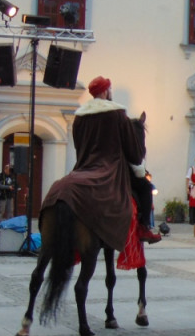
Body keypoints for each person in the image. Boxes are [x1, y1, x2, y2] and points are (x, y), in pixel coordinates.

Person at [40, 76, 147, 254]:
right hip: (110, 169)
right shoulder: (117, 113)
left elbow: (78, 146)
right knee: (145, 188)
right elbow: (133, 152)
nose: (110, 92)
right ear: (105, 92)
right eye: (109, 89)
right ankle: (144, 228)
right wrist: (136, 161)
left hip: (84, 166)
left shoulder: (80, 117)